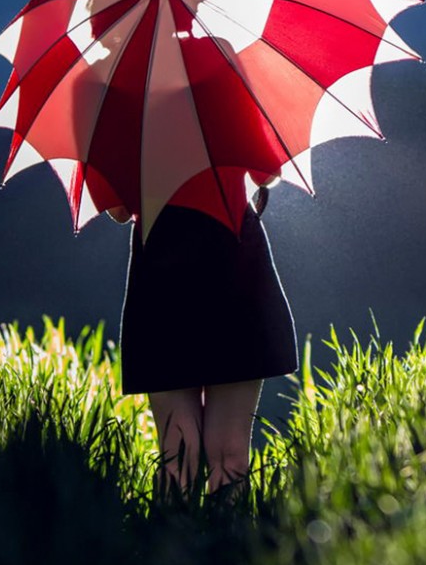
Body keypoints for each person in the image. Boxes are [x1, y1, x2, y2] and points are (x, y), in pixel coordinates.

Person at [107, 183, 297, 495]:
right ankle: (230, 540)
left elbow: (119, 211)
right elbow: (269, 172)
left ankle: (174, 540)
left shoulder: (130, 135)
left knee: (179, 456)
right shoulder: (238, 130)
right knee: (229, 454)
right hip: (234, 260)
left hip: (164, 269)